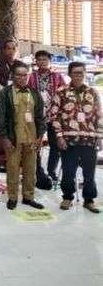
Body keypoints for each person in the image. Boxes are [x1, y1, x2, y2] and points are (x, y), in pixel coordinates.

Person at [49, 62, 102, 213]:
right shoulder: (61, 92)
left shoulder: (92, 92)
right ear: (69, 74)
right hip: (68, 140)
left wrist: (99, 137)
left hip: (89, 140)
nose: (78, 76)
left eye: (81, 73)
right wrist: (59, 137)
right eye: (75, 73)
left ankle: (89, 200)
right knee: (68, 171)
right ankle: (67, 197)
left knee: (89, 172)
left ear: (85, 74)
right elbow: (54, 116)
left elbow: (99, 115)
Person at [0, 61, 46, 210]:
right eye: (19, 75)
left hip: (32, 138)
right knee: (13, 169)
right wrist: (4, 138)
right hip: (13, 139)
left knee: (31, 169)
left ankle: (28, 197)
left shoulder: (34, 93)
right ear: (13, 76)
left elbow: (41, 117)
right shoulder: (5, 93)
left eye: (25, 75)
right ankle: (12, 197)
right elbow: (0, 117)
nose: (22, 78)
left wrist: (40, 136)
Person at [27, 50, 66, 182]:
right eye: (40, 59)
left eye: (45, 59)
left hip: (54, 116)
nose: (42, 61)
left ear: (49, 61)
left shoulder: (58, 76)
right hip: (36, 116)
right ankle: (38, 170)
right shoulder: (30, 77)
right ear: (36, 62)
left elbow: (64, 95)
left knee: (55, 145)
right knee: (35, 144)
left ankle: (51, 171)